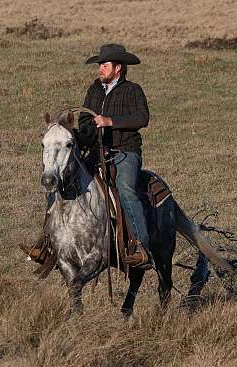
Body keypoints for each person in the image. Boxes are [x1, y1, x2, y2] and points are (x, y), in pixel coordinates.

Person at [76, 44, 152, 267]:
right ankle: (48, 242)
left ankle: (141, 246)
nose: (100, 68)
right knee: (65, 179)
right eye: (100, 64)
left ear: (118, 68)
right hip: (97, 152)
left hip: (125, 152)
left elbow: (142, 118)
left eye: (104, 65)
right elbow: (84, 119)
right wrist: (85, 133)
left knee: (126, 189)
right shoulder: (94, 90)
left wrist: (111, 122)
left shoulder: (133, 90)